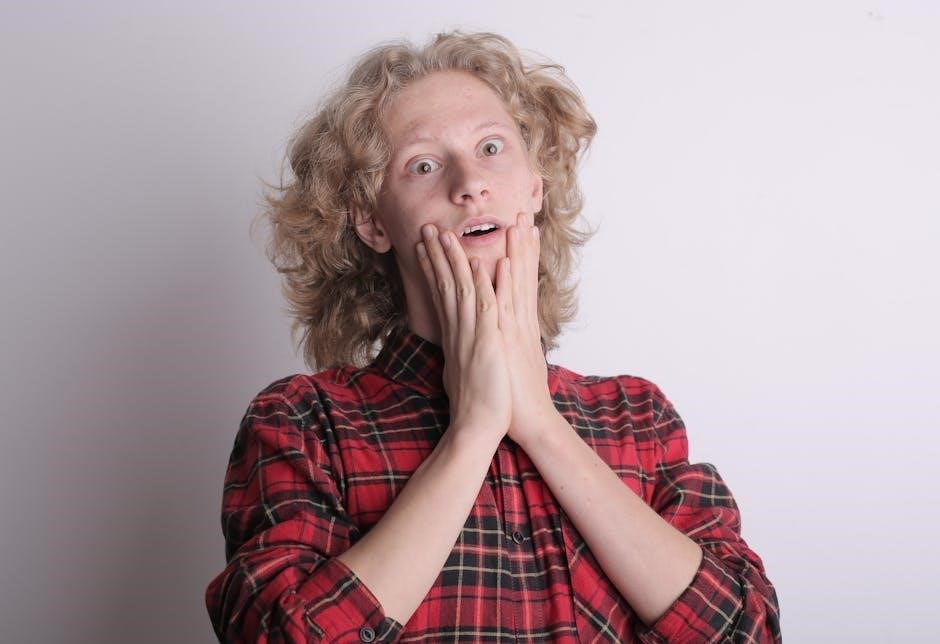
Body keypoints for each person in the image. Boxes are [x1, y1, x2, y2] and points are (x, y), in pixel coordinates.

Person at [205, 32, 781, 643]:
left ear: (535, 186)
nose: (470, 183)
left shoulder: (637, 417)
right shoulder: (304, 421)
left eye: (491, 147)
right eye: (423, 165)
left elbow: (746, 631)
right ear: (371, 220)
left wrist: (541, 424)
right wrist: (472, 432)